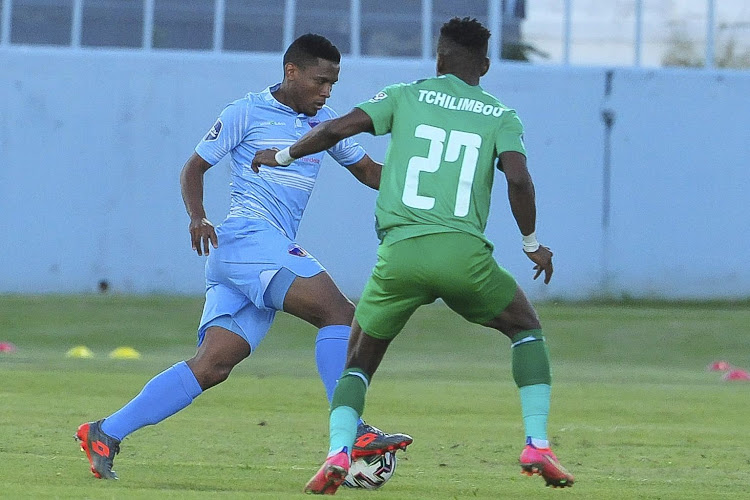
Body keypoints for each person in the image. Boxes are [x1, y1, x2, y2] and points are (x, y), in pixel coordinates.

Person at [251, 17, 575, 494]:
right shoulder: (501, 116)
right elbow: (519, 180)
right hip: (463, 256)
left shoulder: (404, 96)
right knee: (525, 330)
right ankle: (537, 444)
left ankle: (338, 452)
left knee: (358, 360)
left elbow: (337, 129)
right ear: (484, 65)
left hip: (400, 255)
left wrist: (282, 157)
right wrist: (531, 243)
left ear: (439, 57)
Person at [75, 34, 412, 480]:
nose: (327, 91)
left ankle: (105, 432)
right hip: (248, 240)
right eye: (321, 81)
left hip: (249, 257)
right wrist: (198, 217)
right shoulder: (245, 112)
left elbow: (369, 172)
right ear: (292, 71)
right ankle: (352, 431)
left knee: (212, 365)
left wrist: (426, 188)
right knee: (340, 315)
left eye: (333, 83)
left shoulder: (326, 122)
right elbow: (194, 167)